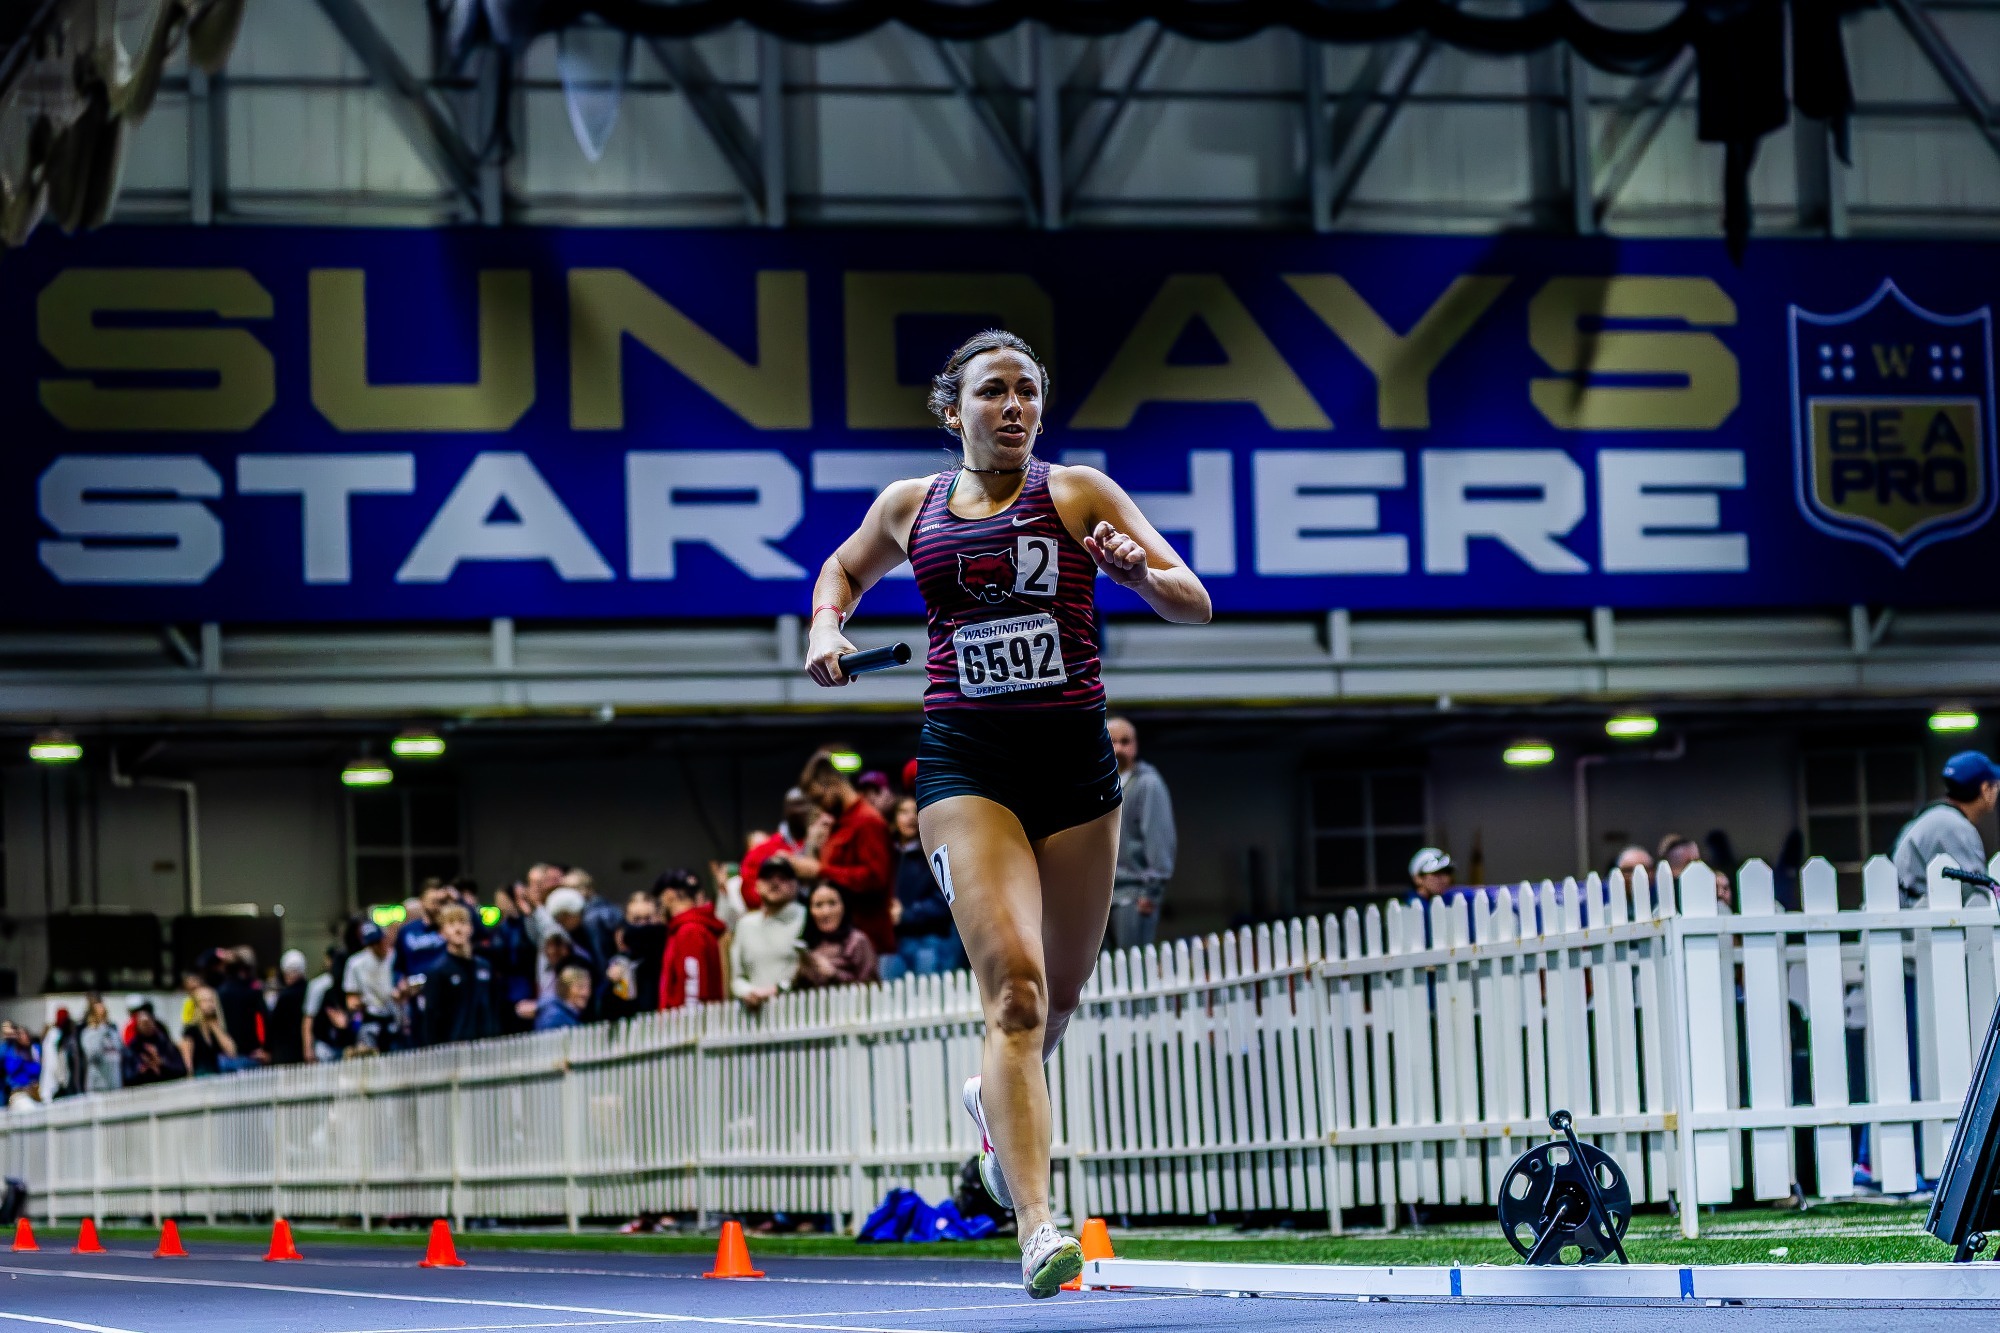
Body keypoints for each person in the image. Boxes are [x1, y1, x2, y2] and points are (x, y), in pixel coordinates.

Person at [803, 328, 1211, 1296]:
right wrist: (826, 624)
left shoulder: (1076, 492)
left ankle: (989, 1109)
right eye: (994, 391)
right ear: (954, 412)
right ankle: (1035, 1225)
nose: (1015, 406)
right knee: (1016, 996)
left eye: (1028, 389)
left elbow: (1192, 599)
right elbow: (842, 572)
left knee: (1055, 1000)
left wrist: (1133, 577)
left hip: (1072, 769)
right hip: (964, 764)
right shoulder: (910, 506)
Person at [790, 749, 897, 957]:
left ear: (833, 784)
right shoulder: (838, 824)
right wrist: (813, 846)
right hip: (843, 943)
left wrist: (821, 870)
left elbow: (876, 878)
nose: (820, 806)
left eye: (820, 798)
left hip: (868, 945)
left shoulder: (867, 822)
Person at [1106, 716, 1177, 952]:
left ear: (1135, 745)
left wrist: (1152, 891)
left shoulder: (1147, 784)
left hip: (1133, 895)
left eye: (1125, 741)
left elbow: (1160, 840)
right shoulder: (1100, 786)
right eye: (1112, 741)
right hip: (1101, 899)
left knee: (1132, 971)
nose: (1119, 748)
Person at [1893, 751, 1999, 906]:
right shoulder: (1953, 826)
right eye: (1996, 785)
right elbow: (1976, 892)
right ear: (1985, 789)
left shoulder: (1937, 816)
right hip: (1916, 921)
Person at [880, 796, 962, 979]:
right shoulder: (886, 856)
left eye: (915, 812)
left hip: (930, 942)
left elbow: (945, 902)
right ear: (894, 819)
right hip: (893, 943)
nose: (910, 817)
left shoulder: (935, 854)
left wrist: (906, 914)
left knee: (929, 1001)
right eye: (903, 812)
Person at [417, 904, 500, 1047]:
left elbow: (495, 1007)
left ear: (471, 928)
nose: (457, 929)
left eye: (462, 922)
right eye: (451, 924)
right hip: (453, 1051)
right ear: (442, 932)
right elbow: (432, 1019)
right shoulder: (437, 971)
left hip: (486, 1046)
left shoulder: (484, 967)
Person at [731, 857, 807, 1009]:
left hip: (798, 1012)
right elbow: (736, 977)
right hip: (755, 1016)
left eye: (783, 878)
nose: (774, 883)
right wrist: (747, 992)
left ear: (795, 885)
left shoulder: (806, 917)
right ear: (757, 885)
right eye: (768, 877)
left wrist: (778, 989)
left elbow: (809, 967)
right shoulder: (745, 924)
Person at [659, 872, 726, 1009]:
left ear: (669, 895)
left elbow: (693, 986)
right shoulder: (693, 927)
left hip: (687, 1024)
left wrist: (688, 1024)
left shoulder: (689, 931)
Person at [797, 885, 879, 989]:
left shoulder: (857, 941)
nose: (825, 912)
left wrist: (834, 974)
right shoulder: (807, 944)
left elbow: (871, 987)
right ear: (810, 910)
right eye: (818, 905)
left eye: (832, 904)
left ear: (844, 906)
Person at [343, 921, 401, 1051]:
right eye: (372, 944)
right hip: (371, 1018)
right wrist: (356, 1006)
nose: (377, 946)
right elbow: (351, 997)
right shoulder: (356, 963)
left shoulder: (395, 957)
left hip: (395, 1015)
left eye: (378, 941)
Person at [181, 987, 251, 1076]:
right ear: (197, 1004)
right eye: (204, 1001)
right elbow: (187, 1061)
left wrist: (215, 1027)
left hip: (216, 1075)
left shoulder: (216, 1027)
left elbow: (232, 1052)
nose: (209, 1005)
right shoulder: (190, 1030)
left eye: (211, 1000)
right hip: (200, 1076)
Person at [121, 1004, 187, 1085]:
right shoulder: (131, 1050)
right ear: (137, 1026)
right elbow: (127, 1078)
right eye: (143, 1023)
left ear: (154, 1023)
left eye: (148, 1022)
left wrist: (162, 1063)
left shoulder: (166, 1045)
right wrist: (144, 1070)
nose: (147, 1026)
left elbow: (181, 1069)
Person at [265, 949, 309, 1066]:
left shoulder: (285, 997)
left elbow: (273, 1024)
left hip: (285, 1054)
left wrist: (267, 1049)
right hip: (306, 1051)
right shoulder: (310, 990)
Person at [78, 995, 122, 1094]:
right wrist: (101, 1030)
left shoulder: (112, 1032)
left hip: (115, 1086)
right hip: (98, 1087)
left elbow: (119, 1053)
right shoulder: (88, 1033)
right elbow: (93, 1055)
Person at [535, 965, 594, 1031]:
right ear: (566, 988)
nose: (586, 993)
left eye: (588, 987)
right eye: (580, 987)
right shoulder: (553, 1017)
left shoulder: (569, 1014)